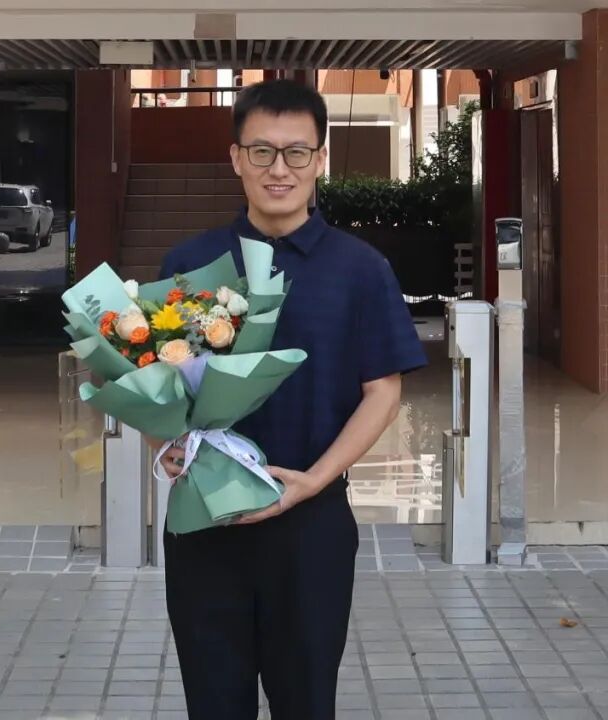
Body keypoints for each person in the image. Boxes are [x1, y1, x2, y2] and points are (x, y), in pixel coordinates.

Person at [153, 78, 428, 720]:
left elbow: (383, 391)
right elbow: (158, 382)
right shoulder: (190, 265)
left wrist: (313, 482)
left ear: (320, 158)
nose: (279, 169)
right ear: (236, 158)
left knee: (306, 703)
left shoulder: (360, 269)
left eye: (297, 152)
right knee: (213, 705)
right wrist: (166, 444)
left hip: (311, 528)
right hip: (205, 525)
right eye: (262, 151)